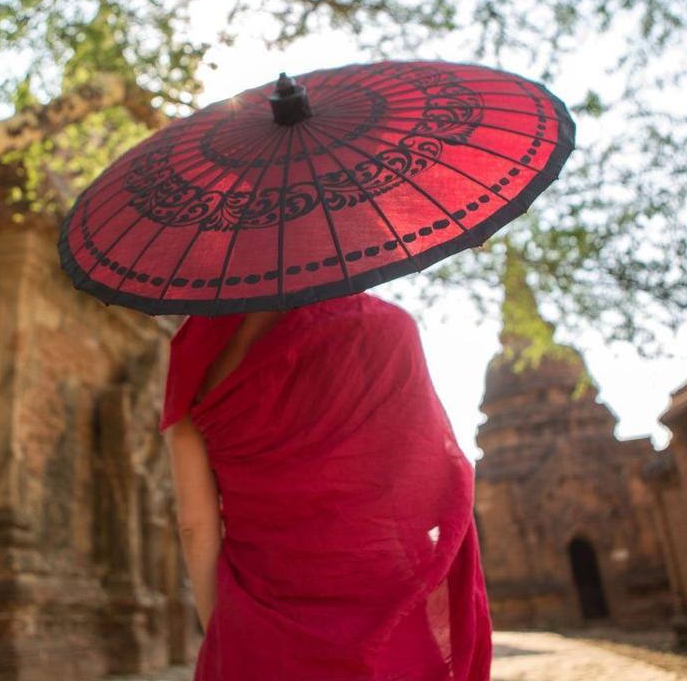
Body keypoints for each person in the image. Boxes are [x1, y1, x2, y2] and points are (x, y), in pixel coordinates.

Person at [162, 290, 493, 680]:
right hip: (382, 610)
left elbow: (194, 526)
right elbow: (424, 485)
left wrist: (223, 629)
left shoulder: (194, 353)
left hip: (257, 628)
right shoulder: (386, 327)